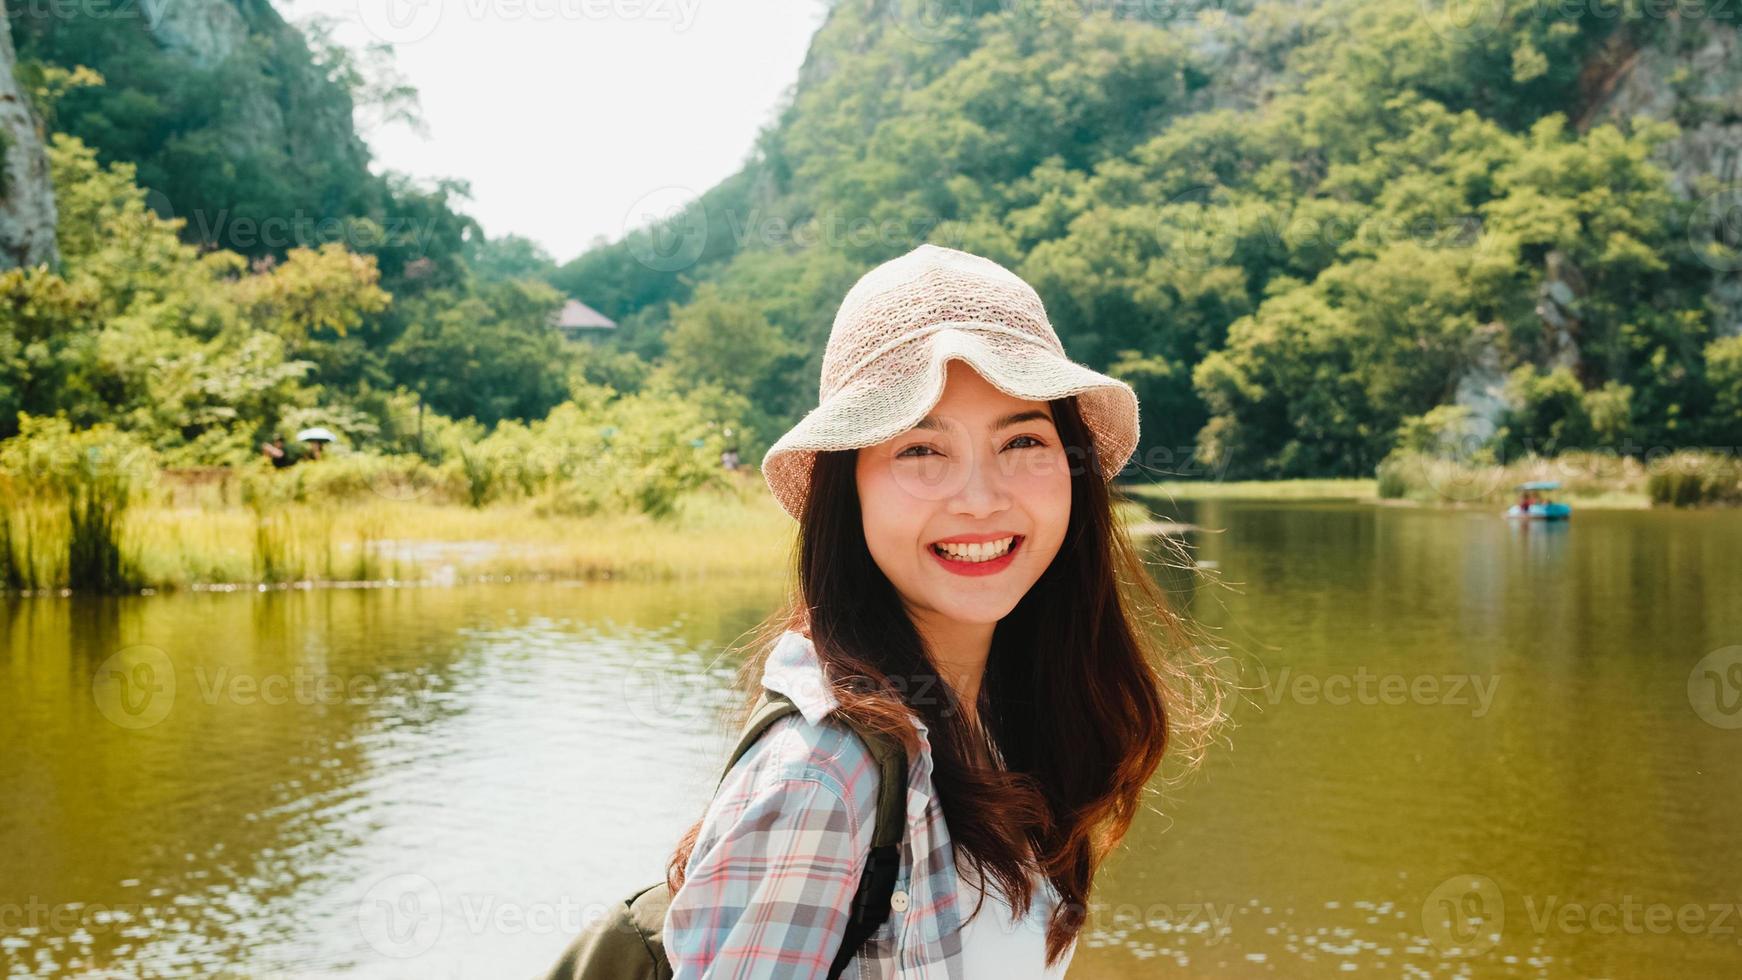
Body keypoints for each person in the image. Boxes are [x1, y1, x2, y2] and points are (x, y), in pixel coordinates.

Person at [661, 244, 1223, 978]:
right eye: (922, 451)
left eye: (1022, 440)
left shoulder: (1002, 713)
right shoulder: (823, 779)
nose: (982, 499)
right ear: (848, 488)